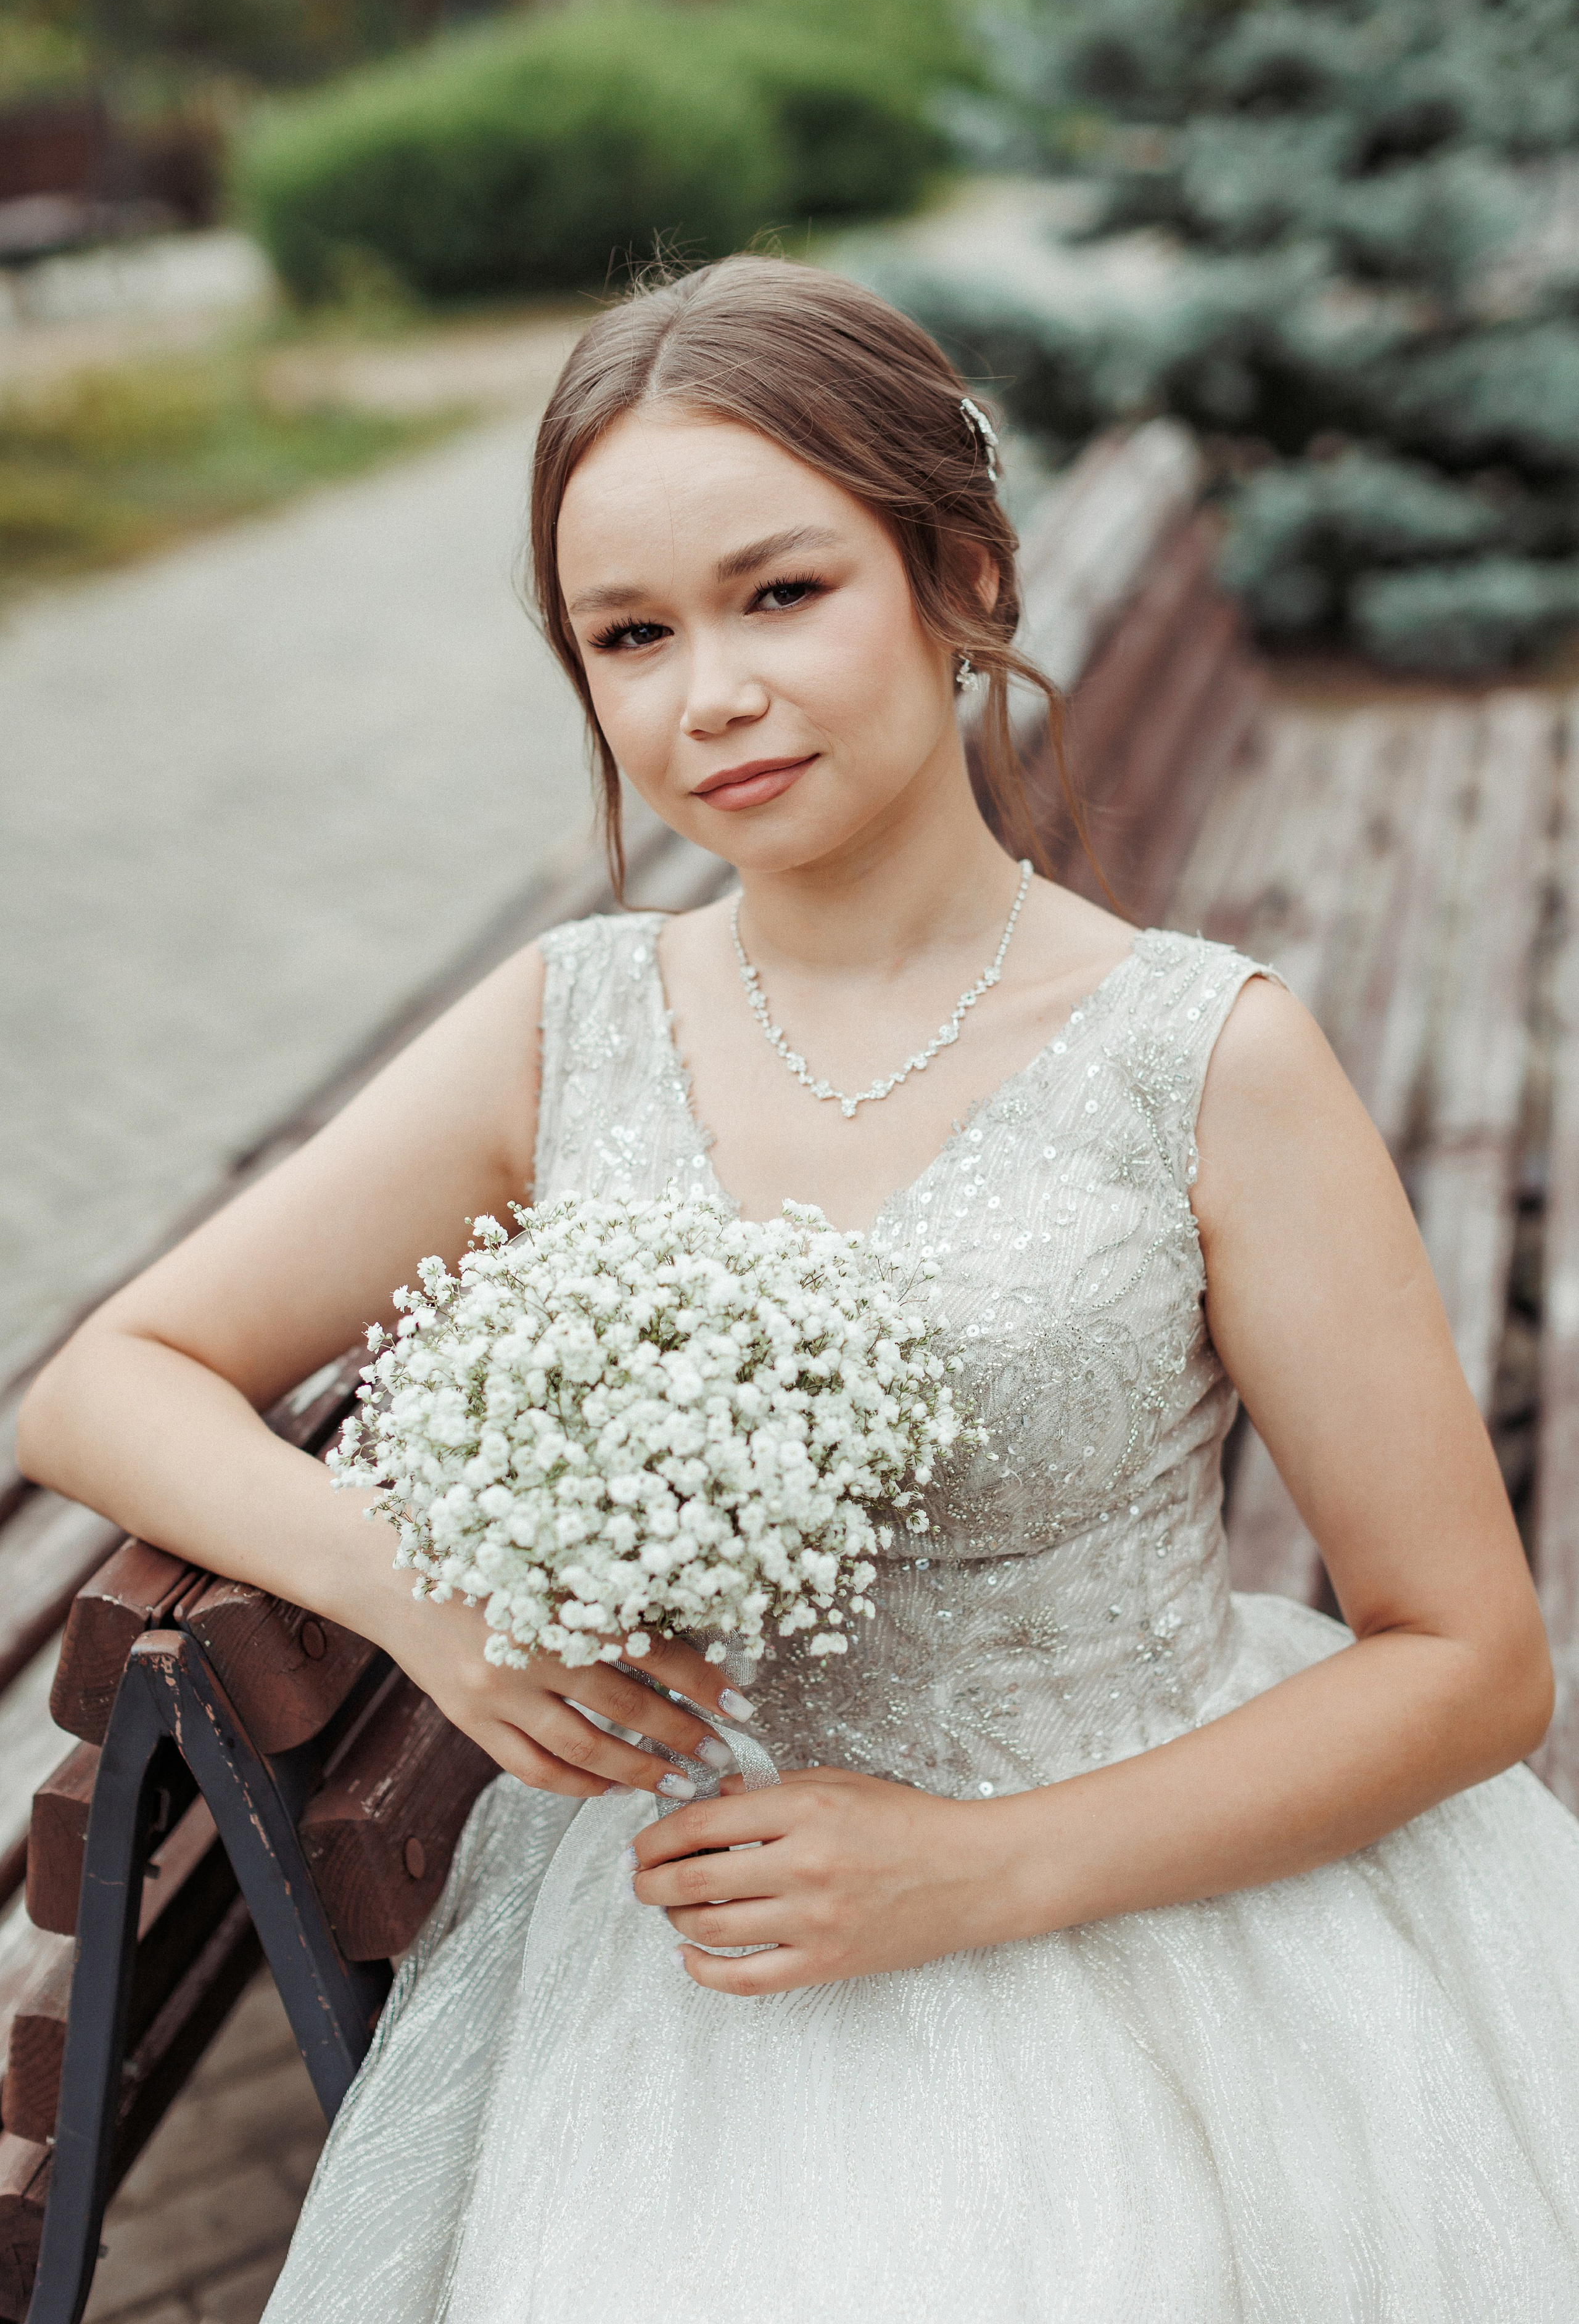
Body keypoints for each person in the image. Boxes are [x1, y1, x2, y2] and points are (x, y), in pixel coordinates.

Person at [19, 255, 1579, 2323]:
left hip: (1155, 1895)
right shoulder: (569, 1027)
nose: (710, 697)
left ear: (967, 583)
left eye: (783, 595)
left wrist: (982, 1874)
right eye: (631, 637)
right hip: (702, 1974)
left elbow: (1470, 1659)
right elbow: (100, 1379)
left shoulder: (1198, 1054)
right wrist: (414, 1584)